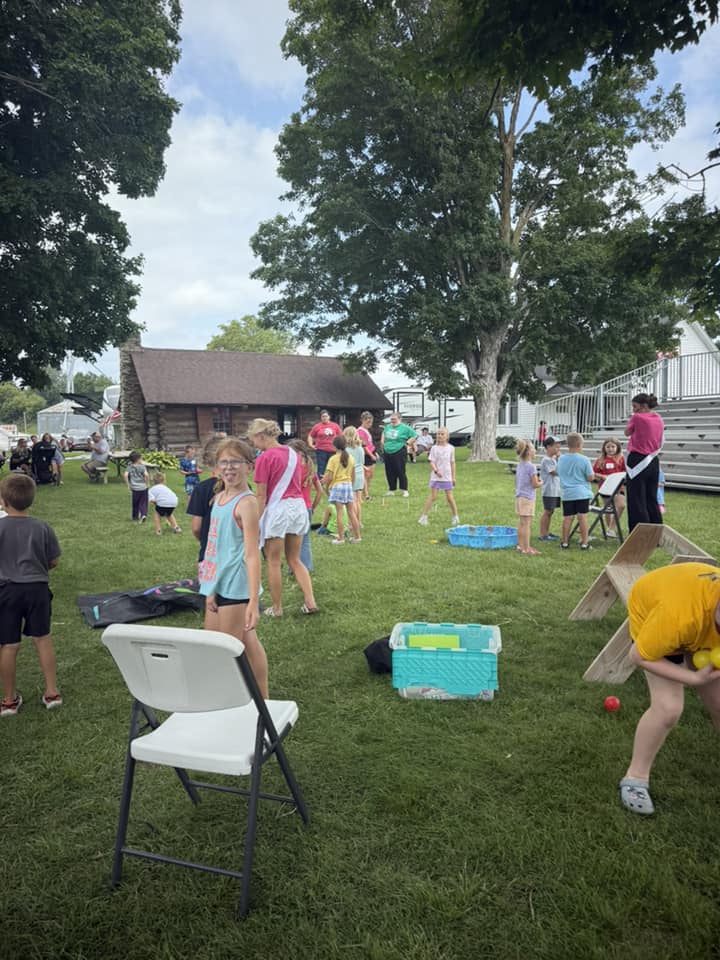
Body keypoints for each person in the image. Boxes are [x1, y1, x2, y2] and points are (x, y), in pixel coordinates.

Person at [618, 562, 720, 816]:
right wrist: (693, 678)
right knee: (668, 708)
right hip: (657, 612)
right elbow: (639, 656)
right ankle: (636, 777)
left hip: (699, 621)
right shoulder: (677, 616)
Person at [198, 438, 268, 699]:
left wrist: (253, 601)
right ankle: (260, 700)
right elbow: (214, 549)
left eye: (236, 462)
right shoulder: (219, 498)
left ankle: (250, 699)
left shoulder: (247, 503)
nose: (229, 467)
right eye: (224, 462)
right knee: (238, 642)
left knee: (227, 651)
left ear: (249, 466)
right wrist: (210, 588)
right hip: (218, 582)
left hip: (237, 585)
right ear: (216, 467)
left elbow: (252, 554)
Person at [0, 473, 62, 716]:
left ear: (3, 500)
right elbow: (53, 560)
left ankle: (8, 700)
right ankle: (52, 692)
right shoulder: (42, 527)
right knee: (42, 638)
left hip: (6, 591)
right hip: (37, 590)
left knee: (9, 644)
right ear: (32, 499)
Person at [249, 418, 318, 616]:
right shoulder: (293, 454)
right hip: (297, 507)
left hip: (278, 509)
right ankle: (310, 601)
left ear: (261, 436)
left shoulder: (264, 458)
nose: (253, 443)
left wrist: (255, 521)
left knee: (273, 561)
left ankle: (277, 608)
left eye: (253, 439)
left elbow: (261, 495)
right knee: (295, 559)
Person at [624, 392, 664, 531]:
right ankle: (656, 530)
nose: (634, 410)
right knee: (651, 497)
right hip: (653, 460)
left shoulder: (637, 417)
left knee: (636, 499)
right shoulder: (658, 418)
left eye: (635, 406)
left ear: (644, 406)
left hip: (637, 459)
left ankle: (640, 533)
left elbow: (627, 432)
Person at [187, 435, 225, 565]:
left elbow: (196, 528)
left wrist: (205, 540)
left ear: (207, 462)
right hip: (235, 556)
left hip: (209, 554)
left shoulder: (201, 489)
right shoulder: (242, 487)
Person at [288, 439, 323, 572]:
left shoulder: (293, 469)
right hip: (306, 506)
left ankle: (293, 566)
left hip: (294, 506)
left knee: (292, 539)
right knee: (305, 539)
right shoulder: (309, 468)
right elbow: (319, 491)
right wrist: (313, 507)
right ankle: (306, 566)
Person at [557, 432, 595, 550]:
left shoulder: (561, 458)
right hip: (581, 492)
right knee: (582, 517)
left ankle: (564, 542)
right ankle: (585, 542)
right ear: (579, 444)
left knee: (567, 517)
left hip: (567, 493)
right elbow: (590, 477)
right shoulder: (584, 459)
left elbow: (559, 472)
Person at [321, 435, 361, 544]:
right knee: (351, 512)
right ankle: (357, 537)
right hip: (348, 485)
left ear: (334, 446)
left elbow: (329, 476)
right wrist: (350, 484)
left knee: (339, 513)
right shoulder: (351, 458)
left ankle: (341, 538)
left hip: (337, 486)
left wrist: (325, 484)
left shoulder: (333, 459)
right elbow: (353, 475)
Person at [417, 427, 459, 527]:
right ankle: (423, 517)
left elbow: (452, 463)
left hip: (447, 476)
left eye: (442, 434)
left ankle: (455, 517)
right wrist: (436, 471)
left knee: (450, 498)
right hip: (436, 477)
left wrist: (453, 477)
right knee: (433, 496)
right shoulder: (434, 448)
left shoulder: (451, 448)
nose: (439, 436)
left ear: (447, 436)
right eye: (438, 434)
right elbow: (431, 461)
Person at [592, 437, 626, 537]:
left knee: (621, 506)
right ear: (604, 448)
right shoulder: (600, 460)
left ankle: (612, 527)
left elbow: (625, 471)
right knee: (608, 509)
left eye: (613, 447)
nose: (610, 449)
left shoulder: (621, 459)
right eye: (608, 447)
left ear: (617, 447)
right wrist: (602, 476)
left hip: (619, 488)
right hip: (605, 488)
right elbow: (594, 473)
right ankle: (609, 530)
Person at [514, 439, 542, 555]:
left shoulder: (520, 465)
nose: (535, 451)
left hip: (519, 497)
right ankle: (527, 548)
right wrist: (542, 482)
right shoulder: (531, 467)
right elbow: (535, 484)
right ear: (529, 452)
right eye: (534, 449)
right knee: (527, 524)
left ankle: (520, 546)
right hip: (528, 498)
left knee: (521, 523)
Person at [380, 412, 417, 497]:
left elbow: (414, 435)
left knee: (400, 470)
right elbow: (384, 433)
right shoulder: (388, 427)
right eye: (391, 419)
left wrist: (407, 443)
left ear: (400, 419)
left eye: (394, 419)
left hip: (399, 450)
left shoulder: (405, 427)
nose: (392, 421)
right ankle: (391, 489)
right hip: (387, 451)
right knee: (389, 471)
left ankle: (404, 490)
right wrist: (383, 442)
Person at [307, 409, 343, 478]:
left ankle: (332, 481)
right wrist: (311, 444)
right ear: (321, 417)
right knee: (321, 468)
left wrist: (340, 448)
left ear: (329, 417)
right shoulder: (317, 426)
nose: (324, 418)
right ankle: (320, 482)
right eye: (323, 416)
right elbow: (310, 436)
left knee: (333, 468)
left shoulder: (335, 426)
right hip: (321, 451)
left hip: (333, 451)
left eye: (326, 416)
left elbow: (341, 436)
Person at [538, 436, 561, 542]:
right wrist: (561, 460)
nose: (558, 449)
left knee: (551, 511)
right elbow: (555, 472)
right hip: (549, 490)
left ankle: (547, 532)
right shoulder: (546, 460)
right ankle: (543, 534)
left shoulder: (552, 459)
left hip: (554, 490)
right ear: (548, 447)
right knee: (547, 511)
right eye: (556, 447)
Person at [343, 425, 365, 528]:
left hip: (351, 475)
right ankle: (359, 522)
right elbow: (362, 462)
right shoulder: (360, 448)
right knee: (358, 500)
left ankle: (352, 523)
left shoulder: (346, 450)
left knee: (352, 501)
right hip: (360, 475)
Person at [148, 471, 181, 535]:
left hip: (163, 503)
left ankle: (158, 530)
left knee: (157, 513)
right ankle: (176, 527)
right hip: (174, 502)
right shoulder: (166, 488)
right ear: (164, 481)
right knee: (169, 514)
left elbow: (152, 500)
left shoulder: (151, 489)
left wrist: (157, 503)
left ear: (153, 481)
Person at [124, 451, 150, 522]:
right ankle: (143, 514)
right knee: (143, 502)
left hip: (134, 488)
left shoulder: (129, 467)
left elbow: (125, 475)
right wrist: (147, 483)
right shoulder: (142, 467)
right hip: (143, 488)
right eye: (141, 458)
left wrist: (128, 485)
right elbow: (146, 475)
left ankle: (135, 517)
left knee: (135, 503)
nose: (142, 459)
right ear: (138, 459)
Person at [357, 411, 378, 500]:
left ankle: (366, 492)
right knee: (365, 475)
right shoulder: (360, 431)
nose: (370, 424)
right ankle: (366, 495)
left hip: (371, 452)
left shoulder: (367, 430)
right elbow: (364, 445)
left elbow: (370, 443)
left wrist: (375, 452)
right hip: (366, 454)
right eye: (368, 422)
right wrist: (371, 455)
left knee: (370, 475)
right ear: (363, 420)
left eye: (371, 422)